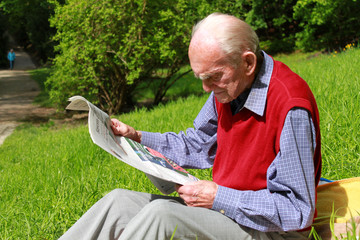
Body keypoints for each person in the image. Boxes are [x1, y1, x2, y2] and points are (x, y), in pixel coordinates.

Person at [59, 12, 321, 240]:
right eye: (201, 78)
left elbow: (296, 211)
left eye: (213, 77)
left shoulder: (290, 107)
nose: (206, 88)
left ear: (248, 62)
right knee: (118, 203)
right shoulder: (229, 86)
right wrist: (137, 137)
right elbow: (198, 144)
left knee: (162, 216)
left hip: (273, 232)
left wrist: (219, 197)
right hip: (230, 214)